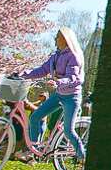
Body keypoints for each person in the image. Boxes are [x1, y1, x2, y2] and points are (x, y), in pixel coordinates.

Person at [19, 27, 86, 160]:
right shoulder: (56, 56)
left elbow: (73, 77)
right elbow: (42, 70)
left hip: (72, 98)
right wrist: (24, 74)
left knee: (68, 131)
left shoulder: (73, 56)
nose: (55, 40)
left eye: (57, 37)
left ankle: (83, 156)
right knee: (35, 117)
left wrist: (58, 83)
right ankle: (34, 150)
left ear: (65, 39)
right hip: (59, 95)